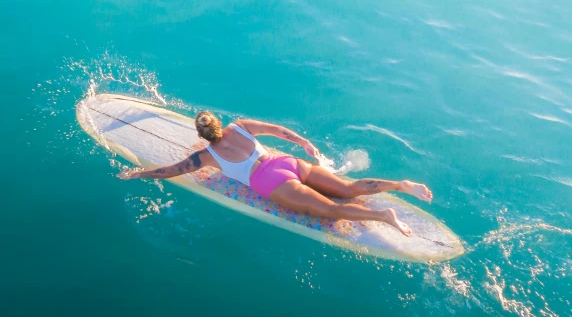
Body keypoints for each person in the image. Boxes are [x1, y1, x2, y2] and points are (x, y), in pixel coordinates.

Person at [118, 111, 433, 236]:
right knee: (348, 188)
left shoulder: (206, 156)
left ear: (202, 136)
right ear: (218, 122)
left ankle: (384, 217)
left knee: (333, 211)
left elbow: (170, 171)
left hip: (271, 183)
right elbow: (277, 130)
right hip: (286, 163)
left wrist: (137, 174)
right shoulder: (240, 126)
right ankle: (401, 184)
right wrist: (304, 143)